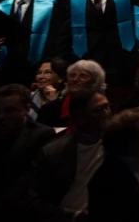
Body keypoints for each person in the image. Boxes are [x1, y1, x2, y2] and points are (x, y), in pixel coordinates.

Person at [23, 89, 111, 221]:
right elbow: (34, 202)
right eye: (99, 110)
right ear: (80, 118)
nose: (107, 113)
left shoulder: (117, 143)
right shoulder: (54, 152)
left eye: (107, 107)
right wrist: (73, 216)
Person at [0, 84, 55, 219]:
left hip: (21, 209)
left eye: (9, 111)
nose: (1, 117)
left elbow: (28, 182)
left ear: (27, 109)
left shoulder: (41, 135)